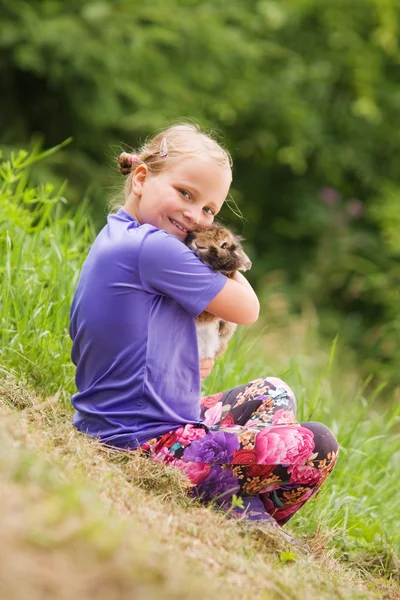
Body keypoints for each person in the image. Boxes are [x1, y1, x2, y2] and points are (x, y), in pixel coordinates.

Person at [69, 123, 338, 534]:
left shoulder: (120, 235)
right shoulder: (154, 248)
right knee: (318, 445)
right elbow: (247, 308)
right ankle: (242, 514)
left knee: (272, 392)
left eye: (210, 210)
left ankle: (230, 493)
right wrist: (227, 253)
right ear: (141, 178)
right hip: (142, 444)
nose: (195, 217)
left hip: (129, 422)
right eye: (185, 194)